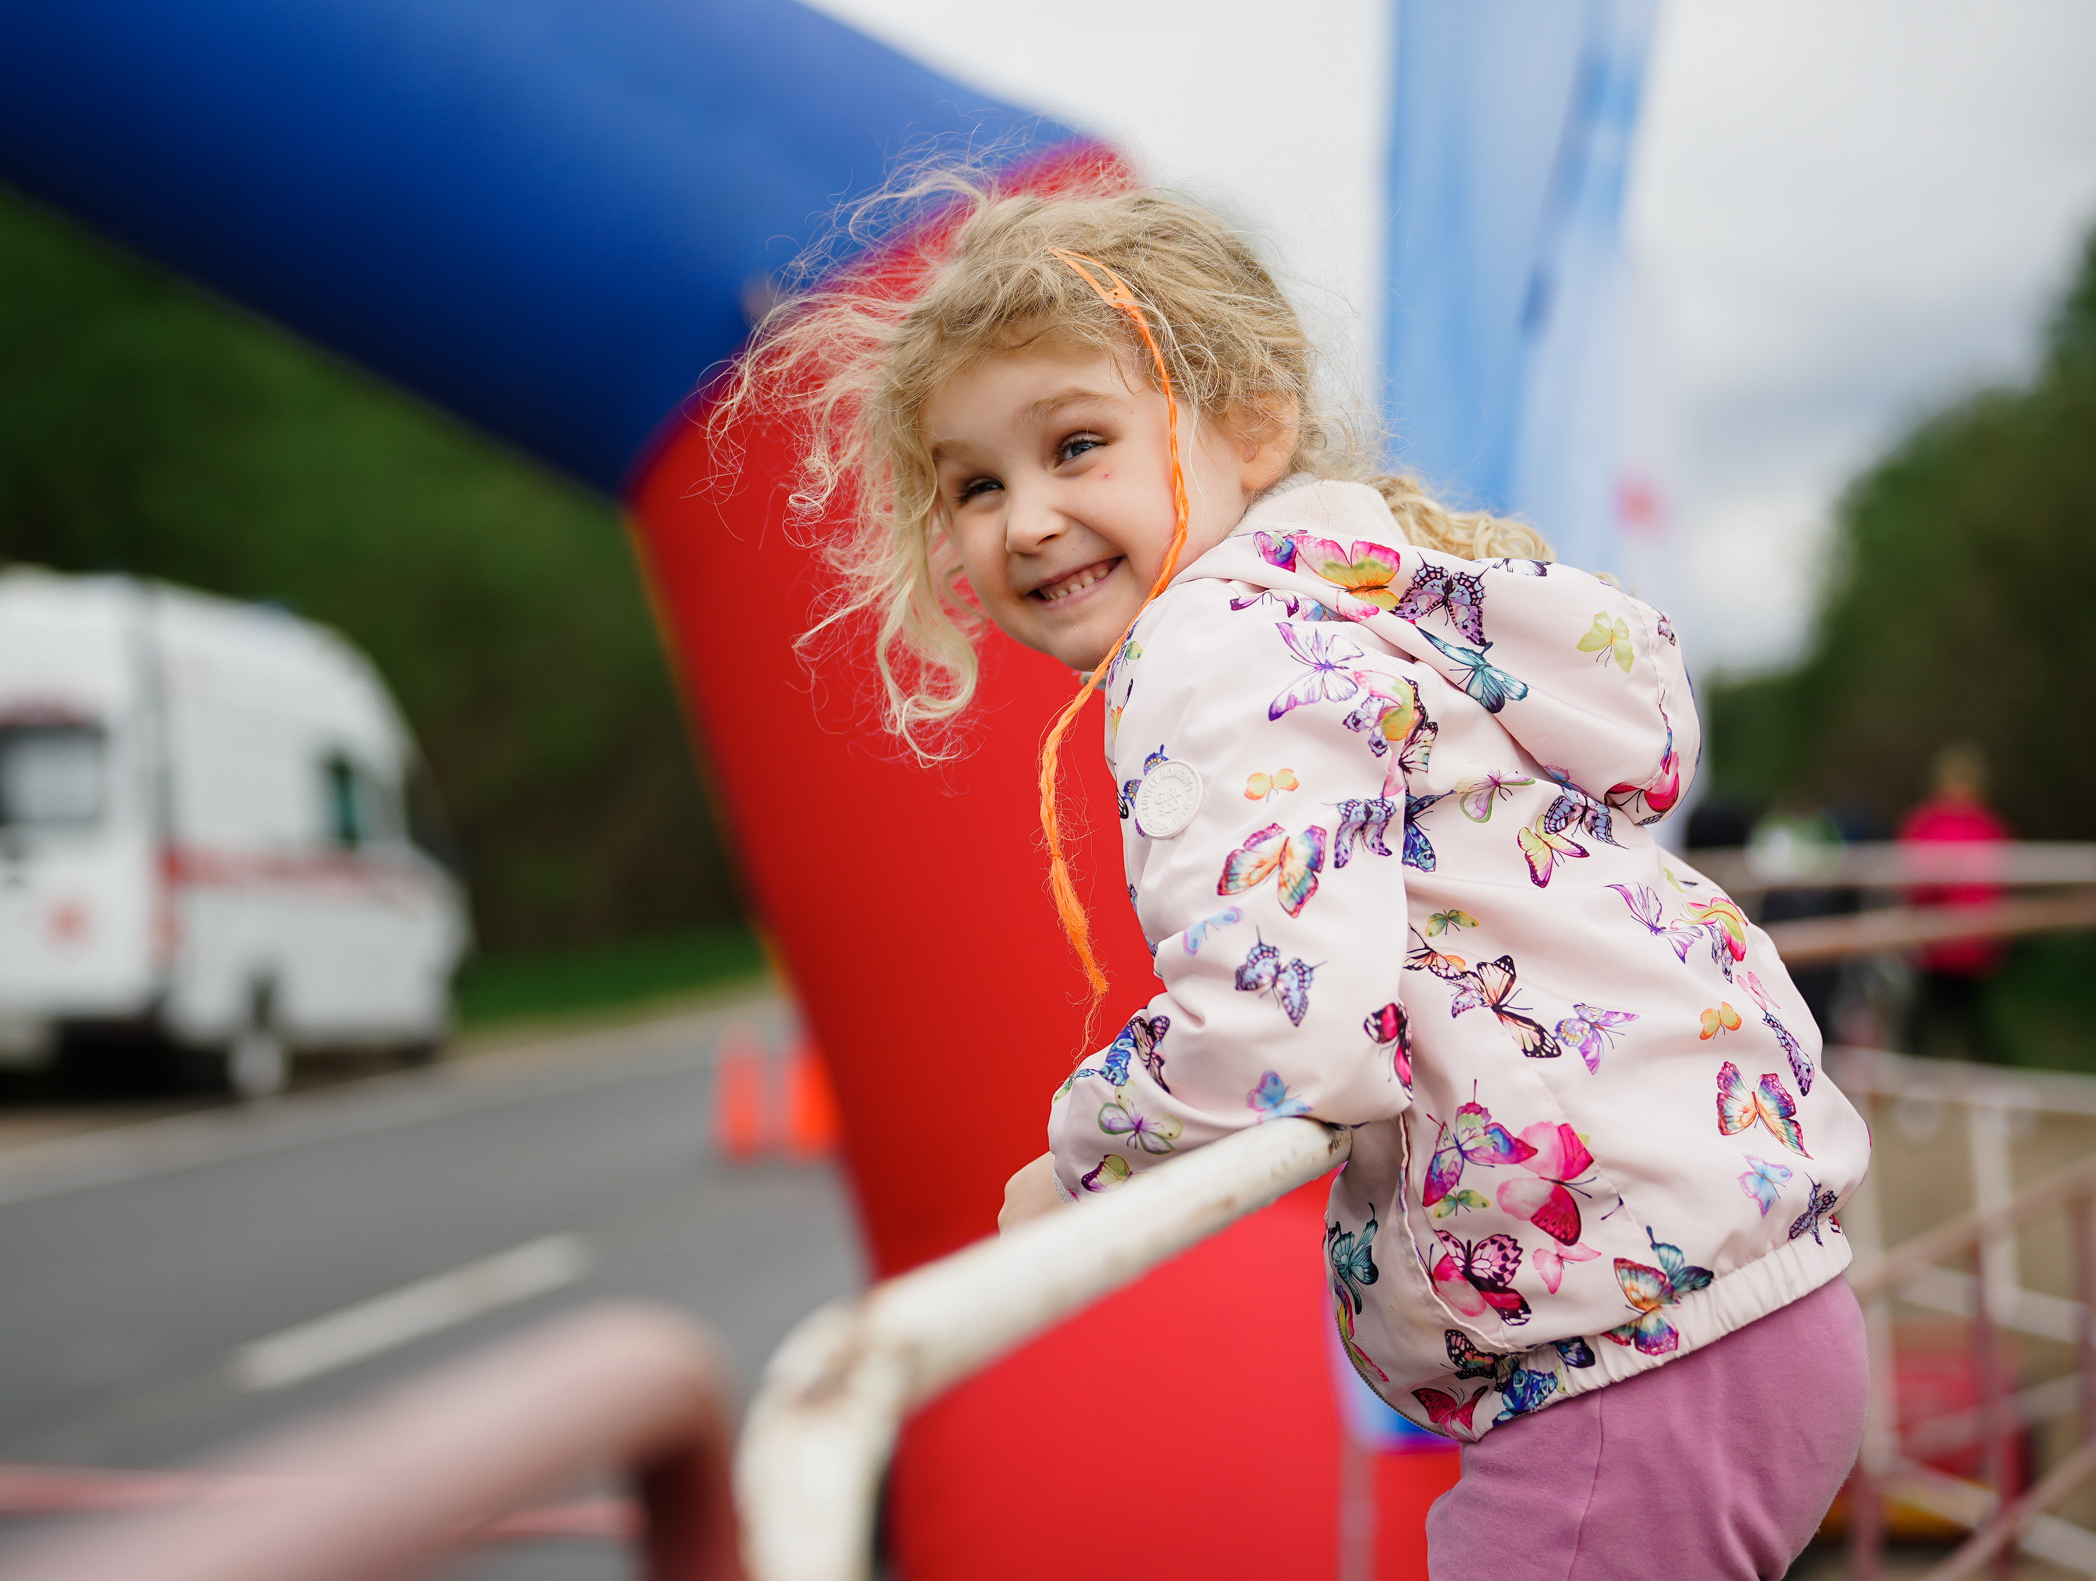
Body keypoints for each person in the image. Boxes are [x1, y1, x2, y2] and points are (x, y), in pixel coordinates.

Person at [725, 170, 1871, 1580]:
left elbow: (1279, 1028)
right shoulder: (1364, 599)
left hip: (1620, 1358)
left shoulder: (1213, 644)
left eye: (1075, 446)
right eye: (975, 484)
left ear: (1252, 426)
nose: (1024, 519)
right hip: (1752, 1300)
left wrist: (1082, 1163)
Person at [1899, 742, 2012, 1060]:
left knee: (1954, 1022)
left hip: (1964, 945)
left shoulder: (1936, 822)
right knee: (1937, 1022)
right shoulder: (1985, 824)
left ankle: (1927, 1083)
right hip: (1943, 944)